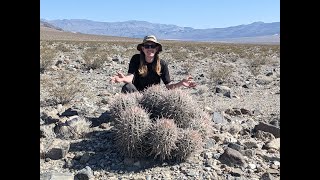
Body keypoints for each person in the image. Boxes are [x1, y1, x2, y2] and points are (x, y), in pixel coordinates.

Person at [111, 35, 196, 93]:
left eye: (153, 46)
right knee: (127, 87)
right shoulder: (136, 59)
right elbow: (130, 77)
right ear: (143, 49)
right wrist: (123, 79)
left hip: (153, 97)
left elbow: (168, 86)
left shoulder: (162, 64)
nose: (150, 48)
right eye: (147, 46)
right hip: (136, 95)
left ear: (157, 48)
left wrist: (181, 83)